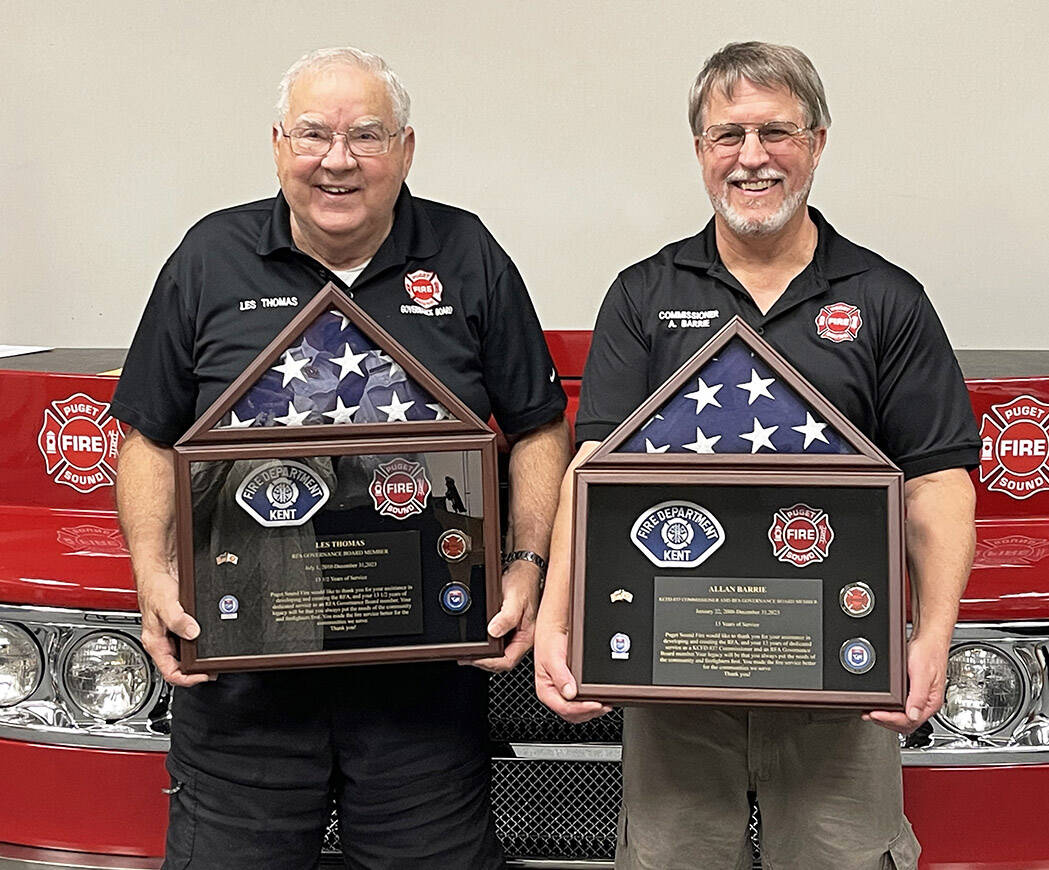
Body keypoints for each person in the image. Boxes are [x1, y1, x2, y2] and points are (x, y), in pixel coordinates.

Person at [113, 46, 570, 869]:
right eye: (313, 135)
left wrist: (527, 563)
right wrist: (152, 573)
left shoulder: (465, 254)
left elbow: (538, 426)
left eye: (366, 135)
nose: (337, 160)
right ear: (278, 144)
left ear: (405, 148)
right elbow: (148, 436)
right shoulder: (209, 257)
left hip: (421, 690)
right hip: (244, 684)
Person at [534, 41, 979, 870]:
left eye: (775, 132)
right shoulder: (644, 295)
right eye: (726, 135)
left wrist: (932, 638)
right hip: (674, 683)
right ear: (701, 150)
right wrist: (559, 624)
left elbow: (936, 483)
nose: (751, 158)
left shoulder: (886, 300)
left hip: (842, 685)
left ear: (815, 141)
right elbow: (590, 472)